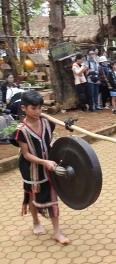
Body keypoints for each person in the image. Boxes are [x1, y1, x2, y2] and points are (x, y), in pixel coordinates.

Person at [9, 90, 70, 244]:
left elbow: (51, 137)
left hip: (50, 166)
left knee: (52, 197)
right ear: (23, 108)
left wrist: (53, 142)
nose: (37, 112)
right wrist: (44, 162)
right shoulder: (20, 131)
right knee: (31, 194)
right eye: (33, 108)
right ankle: (36, 222)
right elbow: (26, 154)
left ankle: (57, 232)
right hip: (32, 170)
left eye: (40, 108)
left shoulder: (47, 122)